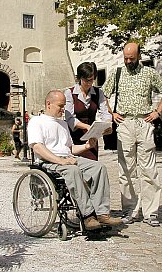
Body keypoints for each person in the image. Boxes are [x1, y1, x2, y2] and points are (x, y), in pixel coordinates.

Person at [27, 90, 122, 230]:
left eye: (64, 105)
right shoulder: (37, 121)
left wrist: (87, 146)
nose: (63, 109)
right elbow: (38, 148)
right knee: (73, 170)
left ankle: (102, 213)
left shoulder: (63, 123)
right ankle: (87, 216)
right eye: (60, 105)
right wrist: (61, 161)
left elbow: (70, 149)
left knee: (98, 168)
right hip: (49, 162)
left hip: (67, 158)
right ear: (49, 104)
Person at [103, 42, 162, 227]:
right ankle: (130, 210)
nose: (127, 61)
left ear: (139, 56)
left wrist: (158, 112)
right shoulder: (117, 73)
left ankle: (151, 213)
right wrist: (111, 113)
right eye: (125, 58)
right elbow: (103, 94)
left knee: (149, 170)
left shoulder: (149, 73)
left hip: (144, 122)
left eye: (131, 58)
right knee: (126, 170)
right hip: (124, 123)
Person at [64, 62, 112, 160]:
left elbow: (104, 111)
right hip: (75, 137)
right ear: (80, 78)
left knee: (93, 165)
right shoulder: (70, 93)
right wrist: (85, 126)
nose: (89, 83)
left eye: (91, 80)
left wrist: (107, 123)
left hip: (91, 137)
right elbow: (69, 118)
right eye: (86, 80)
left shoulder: (98, 92)